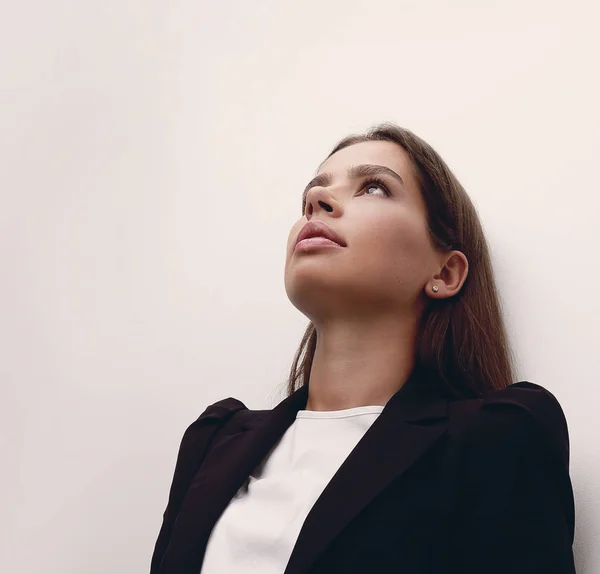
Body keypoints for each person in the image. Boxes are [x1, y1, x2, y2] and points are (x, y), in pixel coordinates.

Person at [150, 123, 576, 574]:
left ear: (446, 273)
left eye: (373, 187)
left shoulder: (499, 436)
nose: (317, 202)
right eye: (312, 194)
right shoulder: (213, 441)